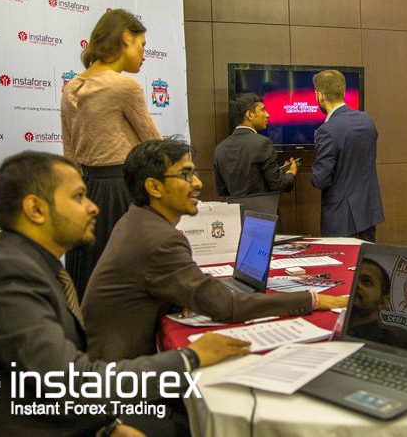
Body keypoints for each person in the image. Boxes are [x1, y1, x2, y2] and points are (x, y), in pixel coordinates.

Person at [0, 151, 249, 437]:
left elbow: (46, 377)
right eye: (79, 197)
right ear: (35, 209)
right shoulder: (7, 275)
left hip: (46, 418)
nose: (94, 207)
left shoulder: (26, 263)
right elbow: (70, 382)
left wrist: (105, 426)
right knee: (194, 423)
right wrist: (190, 357)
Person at [82, 137, 347, 361]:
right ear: (154, 187)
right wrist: (311, 299)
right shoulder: (158, 239)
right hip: (122, 384)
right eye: (185, 175)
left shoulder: (137, 219)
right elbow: (226, 306)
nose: (198, 183)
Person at [61, 9, 161, 297]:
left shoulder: (72, 88)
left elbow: (69, 154)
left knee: (89, 273)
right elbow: (154, 143)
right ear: (126, 38)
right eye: (142, 45)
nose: (144, 55)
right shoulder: (123, 85)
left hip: (85, 189)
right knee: (124, 276)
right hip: (121, 190)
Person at [311, 69, 384, 241]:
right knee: (366, 258)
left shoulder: (326, 130)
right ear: (343, 91)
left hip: (341, 219)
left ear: (320, 95)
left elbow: (320, 180)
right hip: (367, 213)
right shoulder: (367, 120)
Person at [213, 93, 297, 197]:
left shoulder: (220, 148)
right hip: (261, 207)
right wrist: (291, 174)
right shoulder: (263, 143)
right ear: (249, 115)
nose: (267, 115)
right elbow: (277, 185)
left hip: (234, 207)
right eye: (262, 110)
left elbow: (221, 191)